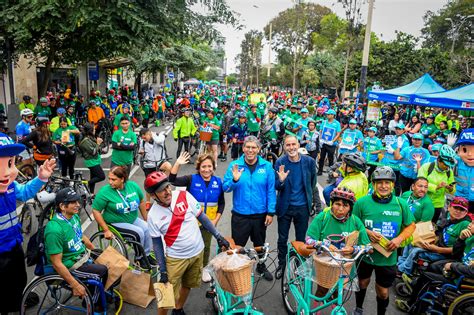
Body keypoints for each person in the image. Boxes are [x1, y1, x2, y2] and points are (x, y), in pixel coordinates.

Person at [145, 172, 230, 315]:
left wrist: (218, 236)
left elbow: (202, 217)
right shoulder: (153, 216)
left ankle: (178, 309)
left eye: (167, 187)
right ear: (153, 196)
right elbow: (157, 244)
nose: (167, 192)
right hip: (175, 259)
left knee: (188, 284)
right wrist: (163, 270)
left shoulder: (183, 196)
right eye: (161, 190)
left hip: (197, 253)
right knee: (165, 297)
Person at [0, 134, 55, 314]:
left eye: (11, 163)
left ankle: (15, 303)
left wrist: (41, 178)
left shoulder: (10, 185)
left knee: (18, 280)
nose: (9, 171)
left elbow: (24, 193)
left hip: (14, 245)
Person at [352, 166, 415, 315]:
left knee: (383, 292)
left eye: (387, 182)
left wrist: (399, 239)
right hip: (365, 255)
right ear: (373, 184)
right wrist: (367, 232)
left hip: (388, 258)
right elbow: (352, 223)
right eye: (379, 182)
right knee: (362, 283)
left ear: (393, 185)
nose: (383, 186)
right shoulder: (361, 203)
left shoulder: (401, 204)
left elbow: (411, 225)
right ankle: (358, 308)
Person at [223, 136, 276, 281]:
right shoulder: (235, 165)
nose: (250, 150)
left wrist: (271, 212)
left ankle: (261, 266)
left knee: (259, 245)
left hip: (260, 215)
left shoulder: (267, 166)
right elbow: (225, 188)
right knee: (238, 247)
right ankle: (236, 269)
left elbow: (271, 191)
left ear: (259, 149)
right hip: (240, 215)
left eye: (254, 147)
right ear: (244, 148)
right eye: (248, 147)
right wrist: (235, 180)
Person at [44, 187, 108, 307]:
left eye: (78, 202)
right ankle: (92, 302)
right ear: (62, 206)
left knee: (105, 257)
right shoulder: (54, 230)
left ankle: (99, 293)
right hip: (70, 265)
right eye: (73, 203)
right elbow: (57, 264)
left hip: (80, 256)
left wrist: (94, 250)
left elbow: (80, 235)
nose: (78, 205)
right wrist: (75, 285)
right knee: (102, 271)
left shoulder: (74, 217)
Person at [168, 151, 225, 281]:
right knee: (187, 244)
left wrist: (215, 220)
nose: (206, 169)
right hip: (190, 223)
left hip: (209, 223)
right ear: (198, 168)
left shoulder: (218, 182)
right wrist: (177, 163)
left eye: (209, 166)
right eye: (203, 167)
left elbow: (221, 203)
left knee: (206, 246)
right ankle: (186, 267)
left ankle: (204, 268)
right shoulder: (191, 179)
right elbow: (172, 180)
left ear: (213, 167)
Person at [306, 187, 371, 296]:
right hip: (324, 262)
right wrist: (324, 244)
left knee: (339, 291)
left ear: (350, 208)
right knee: (322, 289)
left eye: (345, 205)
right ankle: (316, 308)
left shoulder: (355, 221)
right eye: (337, 204)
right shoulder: (323, 217)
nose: (340, 209)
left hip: (344, 264)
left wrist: (354, 249)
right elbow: (308, 240)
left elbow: (368, 247)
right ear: (332, 204)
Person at [92, 166, 154, 265]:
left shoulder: (133, 186)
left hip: (132, 219)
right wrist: (106, 230)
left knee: (147, 228)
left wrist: (146, 218)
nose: (110, 182)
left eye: (113, 179)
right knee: (138, 233)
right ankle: (139, 258)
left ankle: (146, 255)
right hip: (115, 222)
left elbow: (141, 202)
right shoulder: (105, 192)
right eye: (109, 179)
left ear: (122, 179)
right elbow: (96, 211)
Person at [274, 135, 317, 279]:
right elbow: (276, 186)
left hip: (302, 207)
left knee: (301, 239)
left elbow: (312, 184)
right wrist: (281, 181)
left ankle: (299, 267)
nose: (291, 147)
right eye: (288, 145)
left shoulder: (309, 162)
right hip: (285, 207)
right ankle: (281, 264)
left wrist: (314, 203)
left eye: (293, 144)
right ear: (284, 147)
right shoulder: (280, 162)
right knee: (282, 238)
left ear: (298, 145)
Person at [397, 196, 471, 278]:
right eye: (456, 208)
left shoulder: (465, 224)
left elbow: (459, 250)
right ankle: (400, 265)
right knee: (411, 240)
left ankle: (404, 271)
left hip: (447, 255)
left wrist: (436, 249)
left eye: (462, 210)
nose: (458, 211)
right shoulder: (448, 219)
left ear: (466, 212)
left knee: (416, 251)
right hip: (436, 247)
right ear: (449, 207)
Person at [418, 144, 457, 224]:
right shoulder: (426, 167)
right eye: (445, 164)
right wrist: (436, 187)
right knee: (420, 224)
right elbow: (419, 184)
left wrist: (450, 188)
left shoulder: (449, 172)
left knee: (432, 225)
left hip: (438, 204)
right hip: (423, 202)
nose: (447, 167)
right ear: (439, 160)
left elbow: (452, 190)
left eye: (449, 165)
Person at [138, 128, 172, 209]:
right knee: (149, 183)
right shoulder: (143, 142)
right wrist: (141, 153)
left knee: (168, 166)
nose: (144, 139)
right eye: (142, 138)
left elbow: (159, 141)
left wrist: (153, 134)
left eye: (145, 137)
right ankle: (148, 201)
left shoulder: (159, 136)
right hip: (149, 164)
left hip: (160, 162)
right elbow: (140, 151)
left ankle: (163, 181)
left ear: (149, 133)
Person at [381, 122, 410, 195]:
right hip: (387, 163)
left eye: (399, 129)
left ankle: (395, 198)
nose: (397, 130)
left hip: (396, 165)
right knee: (386, 181)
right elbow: (385, 149)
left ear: (403, 130)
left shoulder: (405, 141)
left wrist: (393, 151)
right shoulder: (392, 137)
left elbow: (404, 154)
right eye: (396, 129)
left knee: (396, 184)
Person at [78, 123, 106, 193]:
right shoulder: (85, 141)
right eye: (93, 129)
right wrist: (98, 143)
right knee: (101, 176)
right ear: (90, 130)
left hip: (95, 160)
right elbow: (93, 152)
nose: (95, 130)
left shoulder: (90, 137)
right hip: (91, 161)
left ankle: (91, 193)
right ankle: (85, 183)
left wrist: (99, 144)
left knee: (93, 178)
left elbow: (97, 149)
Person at [317, 109, 341, 176]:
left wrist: (332, 141)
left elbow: (338, 133)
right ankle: (320, 171)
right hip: (324, 143)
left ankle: (331, 173)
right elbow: (321, 131)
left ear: (333, 115)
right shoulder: (324, 122)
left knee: (331, 158)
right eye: (327, 114)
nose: (327, 115)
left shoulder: (337, 123)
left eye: (329, 114)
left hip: (331, 144)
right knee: (321, 157)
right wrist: (320, 139)